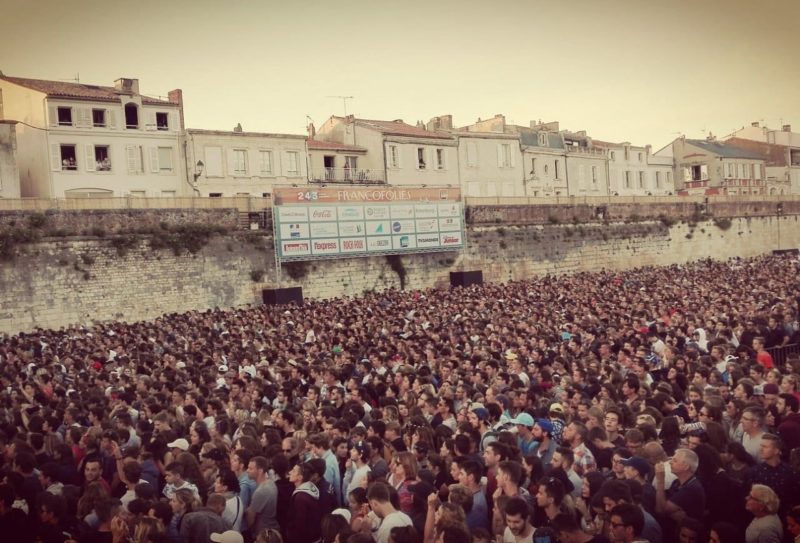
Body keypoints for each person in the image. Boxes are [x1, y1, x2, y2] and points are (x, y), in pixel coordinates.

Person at [286, 462, 323, 543]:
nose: (290, 472)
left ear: (300, 477)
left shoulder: (300, 498)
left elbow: (300, 527)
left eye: (293, 471)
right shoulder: (310, 489)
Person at [246, 455, 279, 536]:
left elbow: (251, 517)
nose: (247, 471)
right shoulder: (271, 482)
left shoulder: (261, 491)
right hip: (270, 529)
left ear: (260, 471)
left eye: (251, 468)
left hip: (263, 533)